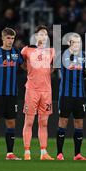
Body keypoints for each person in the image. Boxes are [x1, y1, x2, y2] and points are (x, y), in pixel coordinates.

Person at [0, 28, 24, 160]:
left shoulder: (16, 53)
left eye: (12, 38)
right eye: (8, 38)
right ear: (2, 38)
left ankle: (10, 153)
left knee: (11, 123)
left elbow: (24, 66)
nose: (10, 41)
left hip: (12, 94)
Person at [21, 25, 55, 160]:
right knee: (29, 121)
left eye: (45, 34)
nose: (43, 36)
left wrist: (44, 72)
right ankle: (27, 152)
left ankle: (43, 152)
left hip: (46, 90)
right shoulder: (26, 50)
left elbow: (53, 67)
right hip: (32, 89)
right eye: (41, 34)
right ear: (35, 36)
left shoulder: (51, 51)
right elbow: (22, 64)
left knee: (44, 122)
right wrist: (31, 72)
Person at [56, 33, 86, 160]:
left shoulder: (83, 56)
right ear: (70, 43)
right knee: (63, 122)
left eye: (79, 42)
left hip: (80, 95)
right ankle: (60, 153)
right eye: (74, 42)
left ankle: (77, 154)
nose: (77, 44)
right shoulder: (62, 56)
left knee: (79, 123)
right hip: (66, 94)